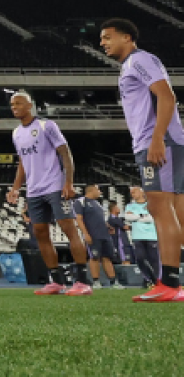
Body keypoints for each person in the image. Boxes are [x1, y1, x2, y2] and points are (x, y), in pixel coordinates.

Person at [101, 18, 184, 302]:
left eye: (108, 37)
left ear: (127, 38)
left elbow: (167, 96)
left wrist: (157, 138)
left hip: (159, 142)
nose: (102, 43)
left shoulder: (140, 60)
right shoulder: (130, 66)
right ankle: (172, 283)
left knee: (160, 208)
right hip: (162, 141)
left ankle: (170, 284)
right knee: (178, 212)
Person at [5, 92, 92, 296]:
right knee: (40, 234)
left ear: (30, 105)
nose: (14, 107)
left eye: (18, 103)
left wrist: (68, 183)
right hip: (34, 190)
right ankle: (56, 281)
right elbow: (22, 164)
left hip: (54, 186)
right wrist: (16, 188)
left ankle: (82, 281)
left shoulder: (46, 126)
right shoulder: (16, 133)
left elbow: (65, 153)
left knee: (69, 229)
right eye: (12, 104)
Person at [74, 185, 123, 289]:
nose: (100, 192)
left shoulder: (97, 203)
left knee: (107, 257)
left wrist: (108, 226)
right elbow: (79, 219)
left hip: (104, 234)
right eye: (98, 190)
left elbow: (99, 219)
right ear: (92, 190)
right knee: (94, 257)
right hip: (93, 234)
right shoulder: (81, 201)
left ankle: (114, 281)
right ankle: (96, 282)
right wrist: (85, 234)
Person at [125, 186, 159, 287]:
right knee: (140, 258)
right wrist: (143, 216)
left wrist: (136, 216)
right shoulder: (130, 206)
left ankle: (157, 280)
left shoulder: (151, 204)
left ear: (141, 193)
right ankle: (147, 278)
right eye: (131, 193)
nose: (132, 194)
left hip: (152, 236)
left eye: (134, 192)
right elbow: (128, 217)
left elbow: (152, 218)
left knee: (154, 259)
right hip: (137, 236)